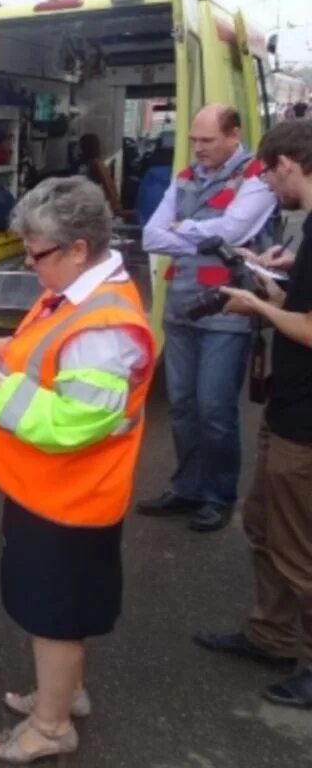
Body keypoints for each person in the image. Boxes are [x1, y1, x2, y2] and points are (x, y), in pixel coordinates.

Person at [0, 176, 154, 763]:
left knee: (54, 613)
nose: (28, 263)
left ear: (77, 250)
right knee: (57, 608)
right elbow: (39, 354)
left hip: (70, 498)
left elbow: (75, 421)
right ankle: (62, 692)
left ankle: (51, 725)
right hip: (51, 492)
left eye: (36, 253)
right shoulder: (76, 293)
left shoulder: (105, 326)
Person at [195, 119, 312, 709]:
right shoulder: (308, 228)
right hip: (288, 411)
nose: (267, 180)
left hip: (306, 427)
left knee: (299, 547)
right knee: (264, 526)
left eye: (270, 169)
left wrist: (255, 307)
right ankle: (270, 635)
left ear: (292, 163)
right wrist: (269, 286)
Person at [139, 103, 278, 532]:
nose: (197, 149)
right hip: (181, 305)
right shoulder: (184, 178)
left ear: (234, 135)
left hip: (227, 308)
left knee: (215, 407)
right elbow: (150, 236)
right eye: (194, 140)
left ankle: (219, 494)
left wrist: (179, 230)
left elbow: (234, 233)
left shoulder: (257, 177)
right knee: (182, 405)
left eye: (207, 141)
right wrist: (204, 236)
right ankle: (188, 489)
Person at [76, 133, 122, 217]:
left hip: (84, 203)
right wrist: (115, 206)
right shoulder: (97, 163)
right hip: (92, 202)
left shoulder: (81, 163)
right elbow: (108, 185)